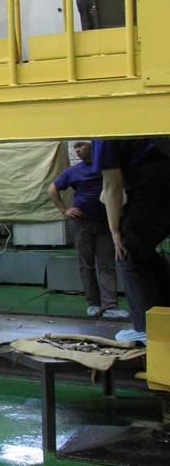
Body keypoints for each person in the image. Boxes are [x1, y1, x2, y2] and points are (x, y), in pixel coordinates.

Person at [94, 137, 170, 344]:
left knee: (127, 250)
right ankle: (163, 317)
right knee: (144, 252)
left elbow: (112, 188)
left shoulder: (104, 136)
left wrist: (115, 230)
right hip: (162, 179)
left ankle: (147, 329)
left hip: (152, 184)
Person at [48, 142, 124, 319]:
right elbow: (52, 189)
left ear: (93, 145)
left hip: (106, 224)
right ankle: (94, 304)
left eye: (80, 146)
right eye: (74, 148)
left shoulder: (107, 166)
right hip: (82, 224)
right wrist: (64, 210)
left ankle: (110, 306)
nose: (77, 150)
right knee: (86, 265)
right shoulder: (74, 171)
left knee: (106, 264)